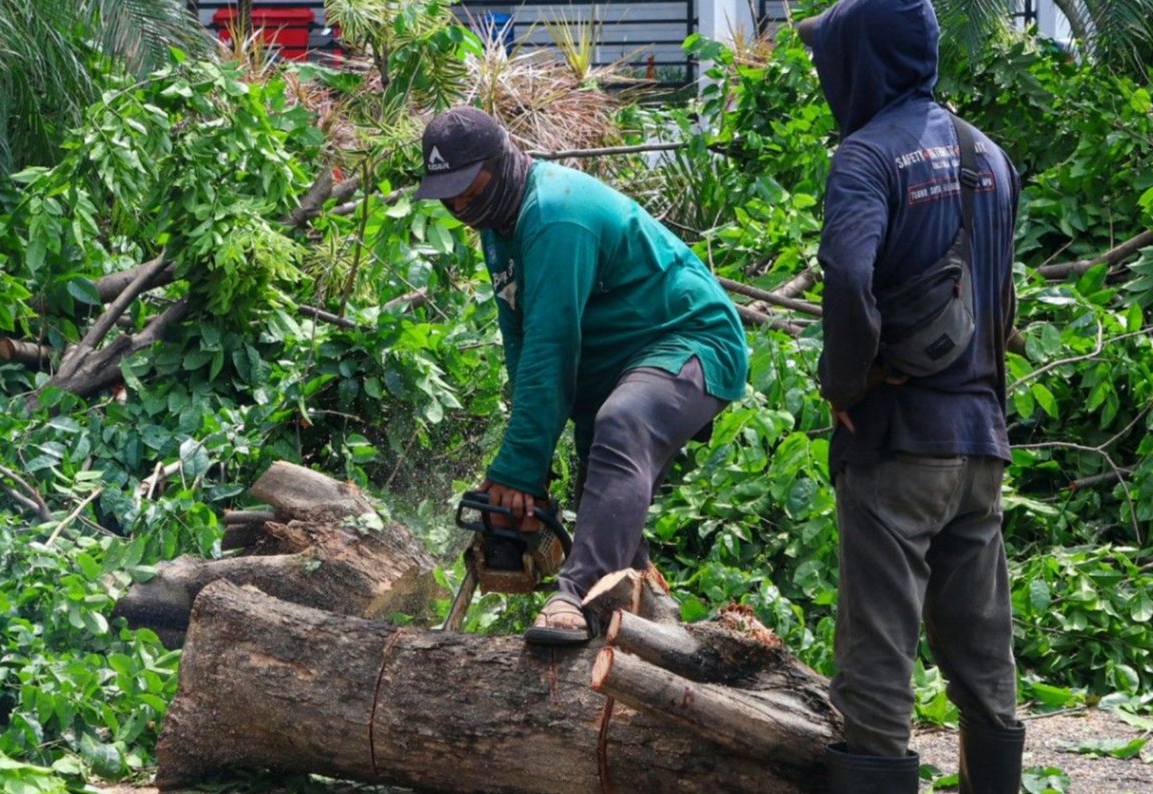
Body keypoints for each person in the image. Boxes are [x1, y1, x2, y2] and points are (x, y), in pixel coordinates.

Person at [415, 107, 748, 646]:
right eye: (447, 193)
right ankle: (645, 633)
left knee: (622, 425)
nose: (457, 205)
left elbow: (553, 344)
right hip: (619, 364)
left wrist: (518, 470)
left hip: (690, 341)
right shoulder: (498, 224)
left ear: (500, 164)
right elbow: (522, 346)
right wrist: (527, 470)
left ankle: (574, 595)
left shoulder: (554, 214)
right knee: (602, 502)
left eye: (465, 189)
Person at [799, 1, 1025, 791]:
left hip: (898, 446)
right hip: (980, 442)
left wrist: (846, 384)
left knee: (878, 660)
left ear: (862, 59)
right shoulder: (990, 154)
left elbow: (850, 277)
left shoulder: (864, 157)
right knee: (982, 650)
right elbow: (1002, 296)